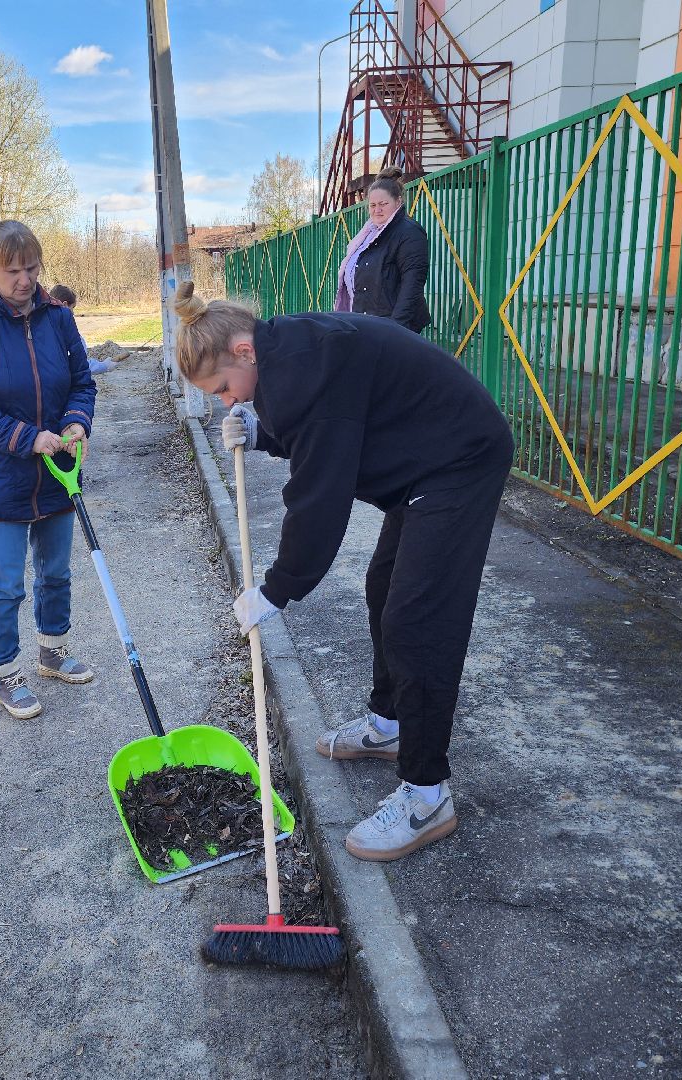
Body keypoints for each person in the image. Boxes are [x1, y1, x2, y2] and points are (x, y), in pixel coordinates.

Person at [174, 281, 512, 862]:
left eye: (225, 389)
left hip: (460, 458)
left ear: (244, 350)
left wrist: (277, 588)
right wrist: (263, 431)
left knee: (417, 618)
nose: (229, 402)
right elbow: (330, 424)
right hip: (424, 463)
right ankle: (390, 724)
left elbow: (318, 500)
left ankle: (428, 796)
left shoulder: (304, 369)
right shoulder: (285, 353)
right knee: (384, 587)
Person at [0, 221, 97, 720]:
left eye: (31, 267)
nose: (24, 279)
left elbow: (81, 382)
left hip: (58, 473)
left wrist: (76, 423)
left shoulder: (58, 317)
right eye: (11, 270)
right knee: (6, 584)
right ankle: (5, 671)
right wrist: (26, 438)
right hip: (0, 480)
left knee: (56, 573)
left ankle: (52, 651)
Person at [333, 166, 432, 334]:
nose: (376, 210)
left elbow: (412, 284)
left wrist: (396, 330)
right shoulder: (368, 234)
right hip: (366, 323)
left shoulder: (409, 232)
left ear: (398, 201)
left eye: (383, 204)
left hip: (392, 327)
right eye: (372, 205)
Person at [48, 284, 121, 375]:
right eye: (73, 308)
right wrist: (104, 366)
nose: (73, 313)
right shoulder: (66, 333)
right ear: (65, 305)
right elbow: (79, 364)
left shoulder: (41, 327)